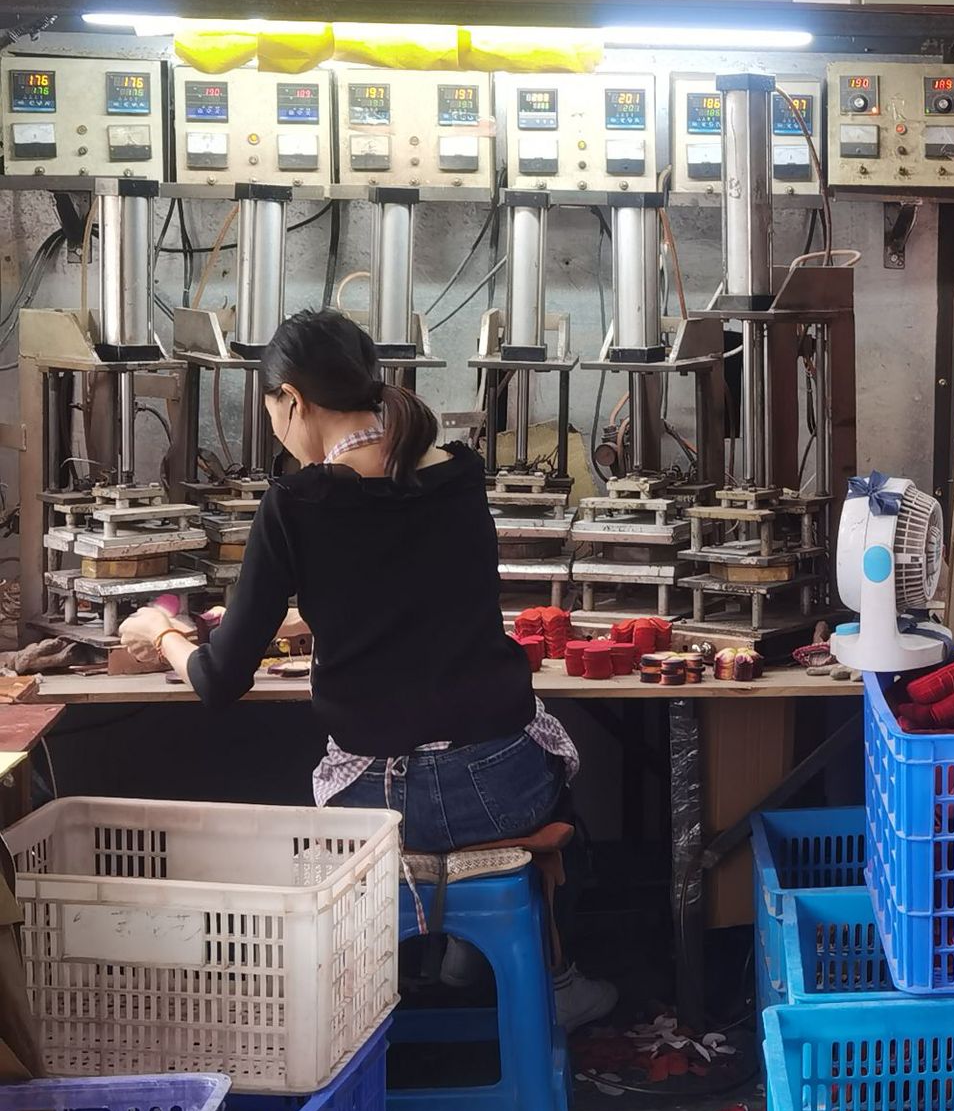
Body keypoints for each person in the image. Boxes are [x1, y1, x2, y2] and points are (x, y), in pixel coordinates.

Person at [118, 308, 616, 1031]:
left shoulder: (294, 503)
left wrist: (161, 631)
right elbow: (411, 586)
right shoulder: (459, 470)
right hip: (504, 787)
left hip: (382, 807)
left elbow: (220, 681)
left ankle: (379, 1002)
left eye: (271, 409)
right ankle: (541, 978)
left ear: (291, 398)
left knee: (322, 805)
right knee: (555, 772)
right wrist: (314, 615)